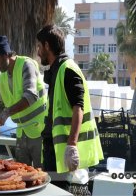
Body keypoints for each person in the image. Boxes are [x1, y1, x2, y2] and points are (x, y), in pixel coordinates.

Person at [36, 25, 104, 195]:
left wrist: (72, 145)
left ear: (46, 45)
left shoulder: (67, 69)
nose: (37, 52)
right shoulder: (57, 70)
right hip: (54, 150)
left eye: (38, 46)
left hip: (65, 151)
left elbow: (78, 107)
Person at [0, 35, 46, 168]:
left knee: (40, 174)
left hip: (40, 131)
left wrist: (6, 113)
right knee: (21, 173)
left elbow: (31, 95)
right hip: (21, 132)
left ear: (5, 54)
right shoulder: (2, 77)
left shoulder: (27, 64)